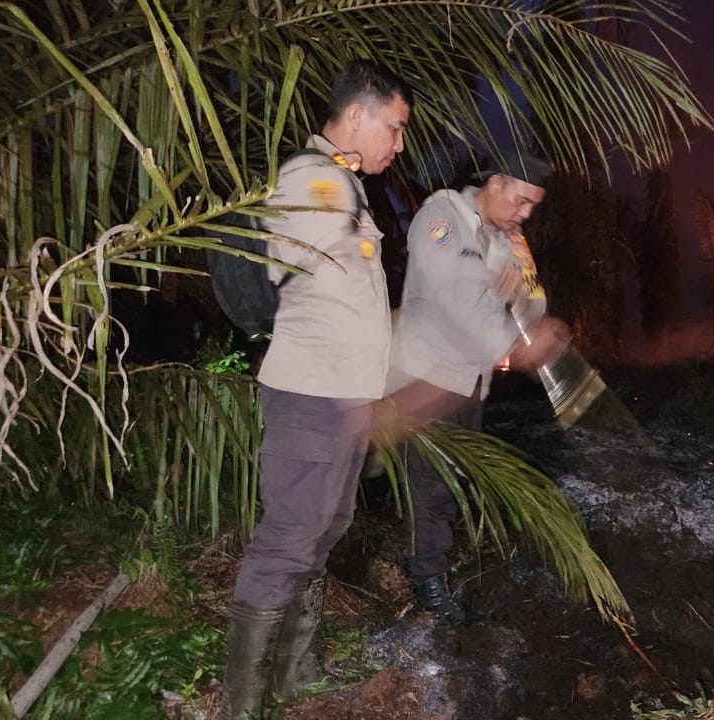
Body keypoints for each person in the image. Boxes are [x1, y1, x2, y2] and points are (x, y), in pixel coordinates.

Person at [221, 59, 410, 719]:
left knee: (325, 528)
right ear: (357, 116)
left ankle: (295, 668)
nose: (400, 143)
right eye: (395, 126)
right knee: (289, 538)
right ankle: (242, 704)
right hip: (310, 398)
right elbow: (265, 273)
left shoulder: (347, 188)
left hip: (344, 402)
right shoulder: (314, 183)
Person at [381, 148, 570, 625]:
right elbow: (453, 302)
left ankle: (424, 561)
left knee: (455, 478)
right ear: (496, 183)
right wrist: (514, 343)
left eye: (533, 207)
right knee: (431, 484)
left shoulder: (506, 239)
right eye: (523, 201)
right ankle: (427, 582)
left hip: (469, 382)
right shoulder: (441, 218)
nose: (525, 214)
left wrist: (530, 315)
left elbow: (529, 303)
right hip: (427, 378)